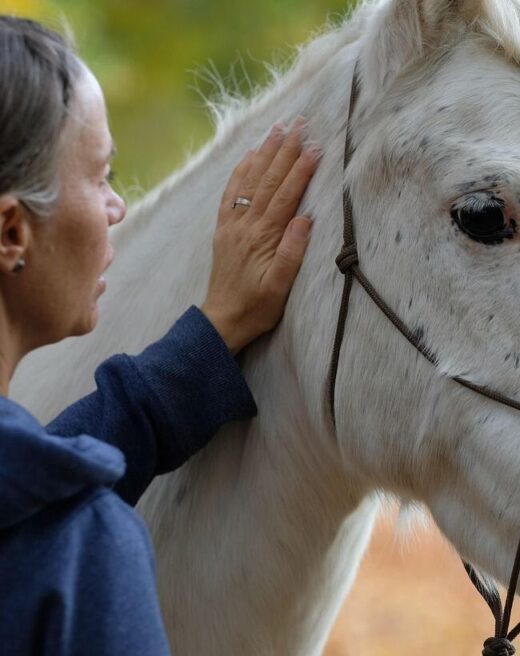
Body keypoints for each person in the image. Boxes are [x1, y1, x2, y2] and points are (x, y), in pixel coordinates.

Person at [0, 16, 320, 655]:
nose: (116, 208)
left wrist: (210, 337)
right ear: (11, 233)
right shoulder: (84, 556)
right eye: (100, 176)